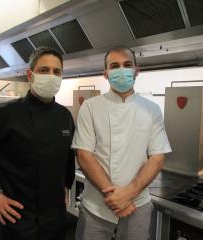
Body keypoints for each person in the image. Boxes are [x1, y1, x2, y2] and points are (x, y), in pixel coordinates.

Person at [0, 47, 75, 240]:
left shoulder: (64, 116)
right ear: (30, 74)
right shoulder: (7, 114)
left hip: (55, 219)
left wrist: (65, 187)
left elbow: (68, 156)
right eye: (44, 70)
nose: (51, 76)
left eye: (56, 72)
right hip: (19, 219)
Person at [72, 46, 171, 240]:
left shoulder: (152, 110)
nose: (121, 70)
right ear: (106, 74)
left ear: (136, 70)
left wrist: (127, 195)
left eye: (127, 65)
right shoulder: (90, 107)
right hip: (96, 207)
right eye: (114, 66)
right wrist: (115, 197)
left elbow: (157, 157)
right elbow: (84, 155)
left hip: (137, 205)